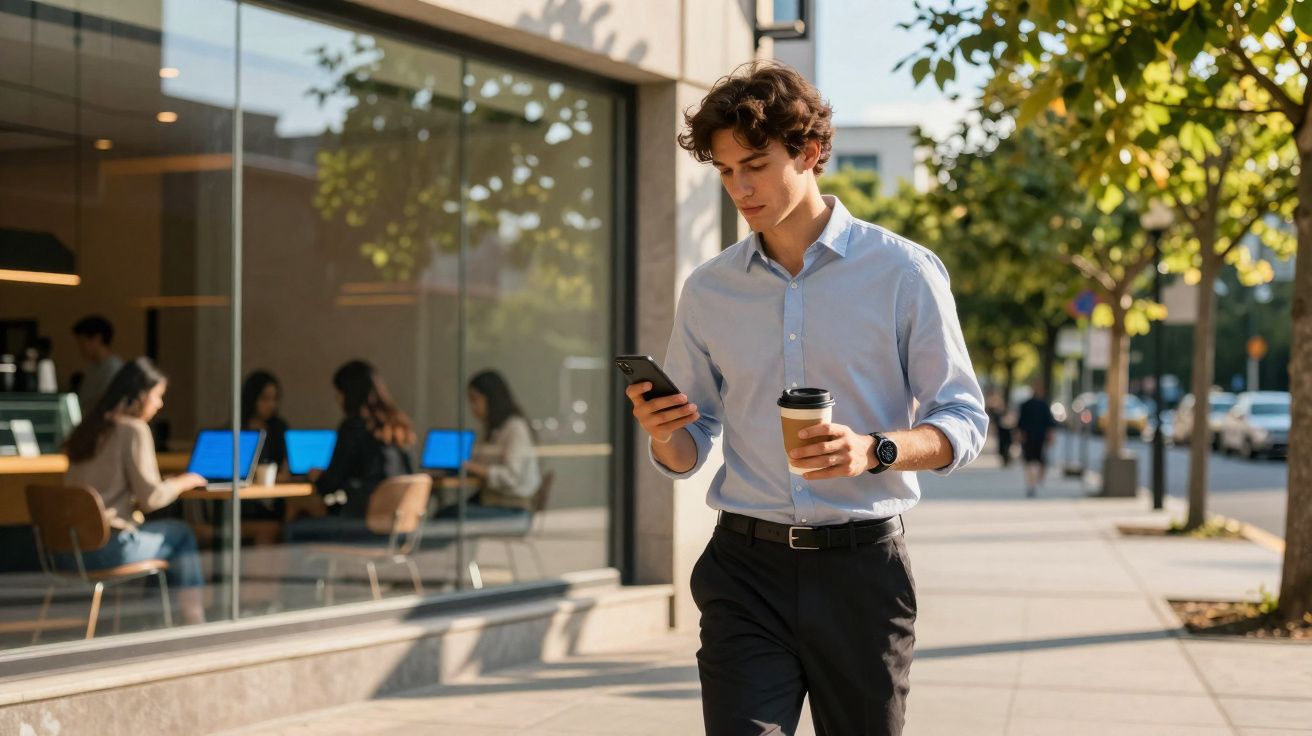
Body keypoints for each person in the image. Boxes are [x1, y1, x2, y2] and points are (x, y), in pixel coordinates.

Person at [626, 62, 987, 736]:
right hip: (744, 573)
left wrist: (874, 451)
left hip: (863, 575)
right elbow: (690, 442)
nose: (740, 186)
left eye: (755, 165)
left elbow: (963, 421)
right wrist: (663, 430)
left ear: (811, 153)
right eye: (727, 170)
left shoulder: (903, 273)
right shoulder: (709, 290)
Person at [61, 357, 209, 624]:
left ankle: (152, 617)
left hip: (67, 549)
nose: (160, 404)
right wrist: (183, 481)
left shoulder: (87, 428)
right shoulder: (133, 430)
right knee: (182, 534)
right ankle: (194, 622)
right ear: (140, 395)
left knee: (161, 537)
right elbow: (151, 498)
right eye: (157, 396)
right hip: (109, 548)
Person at [309, 360, 415, 520]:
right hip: (400, 521)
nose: (337, 398)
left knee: (294, 527)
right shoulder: (400, 426)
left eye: (339, 392)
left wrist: (317, 478)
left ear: (348, 394)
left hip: (365, 521)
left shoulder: (354, 427)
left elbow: (330, 484)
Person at [437, 370, 541, 520]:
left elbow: (511, 477)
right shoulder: (495, 429)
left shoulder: (515, 428)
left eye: (475, 399)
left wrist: (472, 467)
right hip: (493, 501)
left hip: (513, 509)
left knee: (447, 516)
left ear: (491, 398)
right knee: (445, 513)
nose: (472, 407)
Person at [240, 370, 291, 541]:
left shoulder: (279, 429)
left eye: (274, 399)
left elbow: (286, 470)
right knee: (270, 528)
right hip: (243, 505)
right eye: (265, 398)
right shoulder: (238, 430)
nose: (271, 404)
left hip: (274, 502)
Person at [71, 315, 123, 415]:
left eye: (82, 343)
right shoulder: (93, 368)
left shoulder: (113, 368)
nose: (80, 348)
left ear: (97, 339)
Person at [1016, 381, 1057, 498]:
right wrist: (1051, 437)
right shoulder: (1044, 405)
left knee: (1029, 462)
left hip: (1028, 438)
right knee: (1038, 461)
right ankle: (1035, 481)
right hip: (1040, 438)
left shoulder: (1025, 405)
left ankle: (1030, 484)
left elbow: (1020, 424)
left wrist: (1019, 438)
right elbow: (1050, 424)